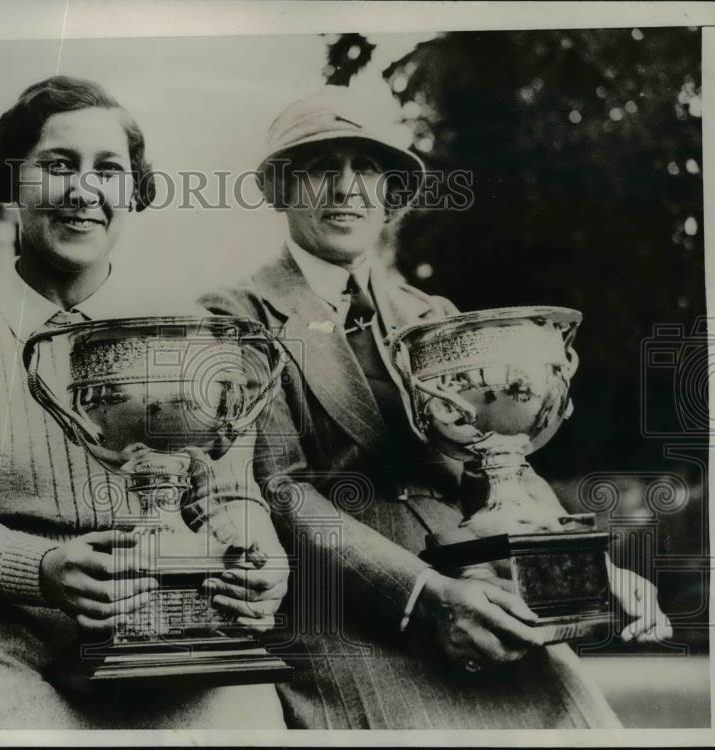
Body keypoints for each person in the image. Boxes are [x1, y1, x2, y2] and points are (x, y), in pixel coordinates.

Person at [199, 85, 671, 729]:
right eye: (318, 169)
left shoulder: (432, 317)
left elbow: (502, 468)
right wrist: (423, 596)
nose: (346, 189)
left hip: (484, 593)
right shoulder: (235, 316)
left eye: (366, 168)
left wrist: (588, 568)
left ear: (391, 191)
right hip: (346, 609)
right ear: (281, 189)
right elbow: (277, 490)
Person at [0, 75, 288, 730]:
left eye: (109, 170)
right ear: (13, 179)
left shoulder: (182, 328)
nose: (84, 191)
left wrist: (257, 559)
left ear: (132, 190)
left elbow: (226, 491)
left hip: (180, 641)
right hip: (16, 649)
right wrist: (42, 569)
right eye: (58, 165)